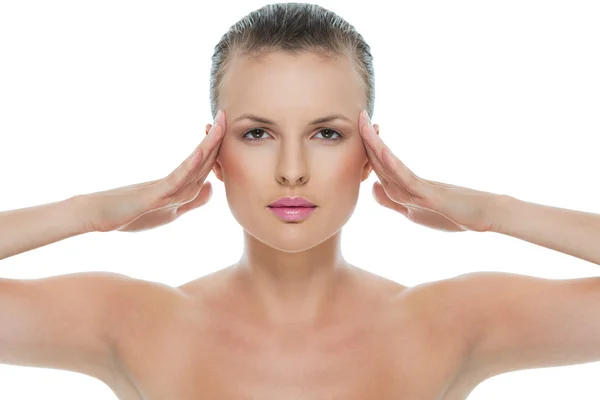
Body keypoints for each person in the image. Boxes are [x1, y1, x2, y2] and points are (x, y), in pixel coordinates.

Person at [1, 3, 600, 399]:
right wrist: (88, 213)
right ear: (212, 148)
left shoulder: (454, 321)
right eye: (257, 134)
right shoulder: (129, 321)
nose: (292, 172)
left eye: (327, 133)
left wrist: (493, 212)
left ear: (370, 151)